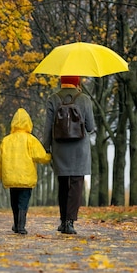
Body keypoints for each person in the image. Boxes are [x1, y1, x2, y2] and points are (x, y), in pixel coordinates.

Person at [42, 75, 95, 235]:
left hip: (60, 148)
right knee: (77, 183)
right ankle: (70, 222)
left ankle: (63, 220)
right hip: (80, 148)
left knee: (63, 183)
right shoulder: (84, 99)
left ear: (61, 81)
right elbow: (90, 127)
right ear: (77, 82)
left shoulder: (53, 98)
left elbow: (48, 127)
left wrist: (46, 148)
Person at [0, 108, 51, 235]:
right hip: (26, 178)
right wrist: (50, 156)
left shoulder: (6, 140)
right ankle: (21, 226)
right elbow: (41, 156)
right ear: (28, 122)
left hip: (11, 178)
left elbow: (0, 161)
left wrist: (1, 175)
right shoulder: (30, 139)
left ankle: (16, 224)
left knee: (14, 202)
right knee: (23, 202)